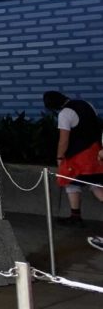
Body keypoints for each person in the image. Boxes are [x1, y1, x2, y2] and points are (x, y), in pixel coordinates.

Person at [44, 91, 103, 227]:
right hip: (96, 151)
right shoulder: (87, 104)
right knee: (90, 183)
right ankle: (75, 216)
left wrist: (59, 157)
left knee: (75, 181)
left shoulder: (65, 114)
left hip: (79, 156)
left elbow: (63, 140)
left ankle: (75, 217)